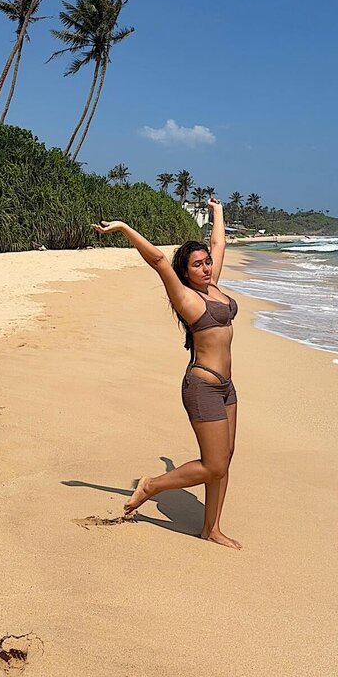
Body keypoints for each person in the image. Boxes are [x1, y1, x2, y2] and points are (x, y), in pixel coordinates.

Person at [92, 198, 241, 550]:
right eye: (197, 265)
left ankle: (211, 529)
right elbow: (159, 260)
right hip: (202, 387)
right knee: (213, 464)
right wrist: (124, 228)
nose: (206, 268)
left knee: (225, 459)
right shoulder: (187, 298)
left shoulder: (214, 287)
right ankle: (152, 486)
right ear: (185, 273)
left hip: (227, 387)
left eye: (206, 262)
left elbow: (218, 243)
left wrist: (217, 211)